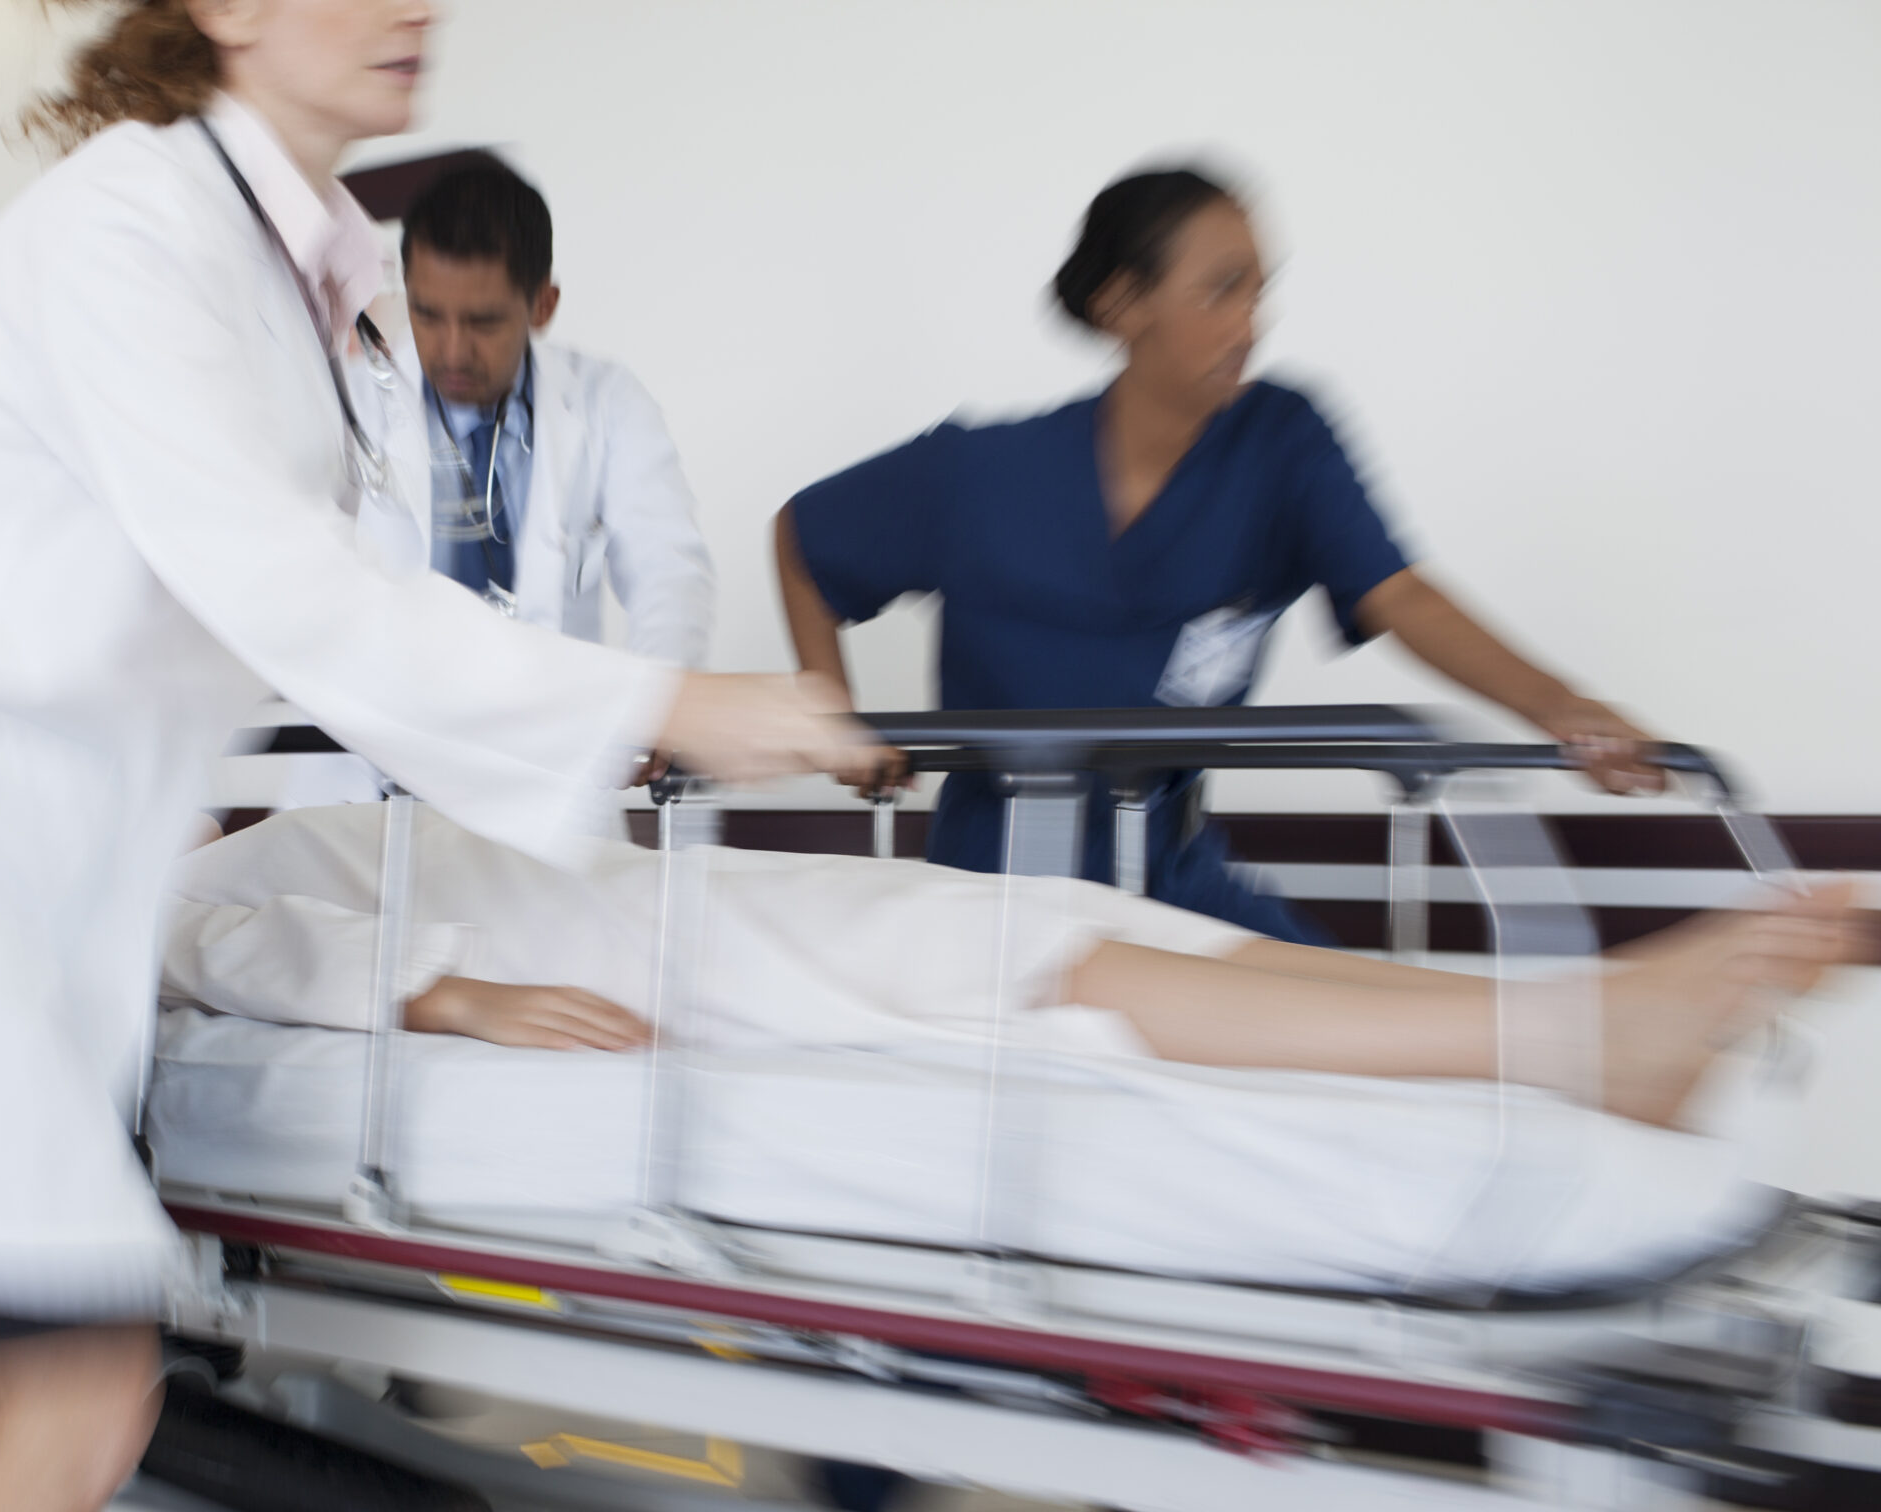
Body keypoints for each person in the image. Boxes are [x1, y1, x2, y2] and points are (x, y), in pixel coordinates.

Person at [0, 7, 873, 1512]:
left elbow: (269, 613)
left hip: (23, 918)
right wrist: (674, 700)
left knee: (27, 1400)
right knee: (72, 1415)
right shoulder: (129, 228)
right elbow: (296, 593)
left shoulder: (309, 288)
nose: (413, 8)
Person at [778, 165, 1662, 941]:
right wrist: (832, 709)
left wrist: (1565, 708)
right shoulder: (980, 473)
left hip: (1169, 870)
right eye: (1222, 289)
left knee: (1348, 1029)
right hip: (997, 890)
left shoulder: (1282, 442)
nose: (1252, 323)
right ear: (1122, 304)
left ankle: (1612, 1030)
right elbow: (806, 537)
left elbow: (1400, 594)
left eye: (1260, 290)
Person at [164, 801, 1858, 1139]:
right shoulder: (182, 882)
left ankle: (1591, 1033)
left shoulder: (280, 811)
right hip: (637, 945)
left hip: (654, 893)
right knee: (1053, 971)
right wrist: (448, 997)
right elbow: (240, 947)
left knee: (1111, 950)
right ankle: (1592, 1033)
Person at [290, 153, 717, 802]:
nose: (452, 350)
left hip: (533, 784)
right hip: (368, 787)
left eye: (483, 322)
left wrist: (659, 693)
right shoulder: (349, 402)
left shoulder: (605, 403)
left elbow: (668, 568)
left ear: (542, 304)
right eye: (429, 314)